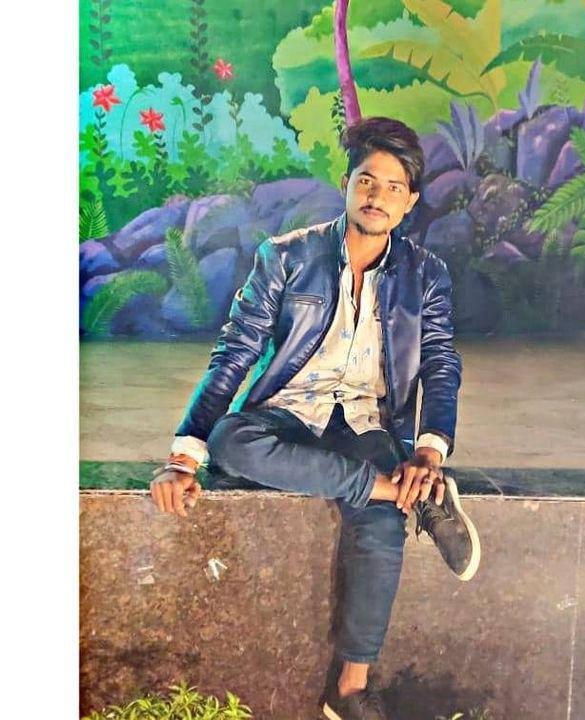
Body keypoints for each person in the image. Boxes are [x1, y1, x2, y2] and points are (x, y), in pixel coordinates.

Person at [149, 116, 481, 720]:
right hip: (290, 413)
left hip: (368, 422)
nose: (377, 195)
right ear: (347, 183)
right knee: (231, 440)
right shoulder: (285, 257)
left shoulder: (426, 274)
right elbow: (235, 353)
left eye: (393, 187)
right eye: (367, 180)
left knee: (379, 524)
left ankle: (349, 692)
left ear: (409, 202)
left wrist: (429, 452)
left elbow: (440, 362)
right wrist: (183, 457)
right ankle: (405, 494)